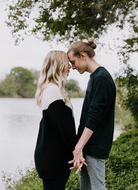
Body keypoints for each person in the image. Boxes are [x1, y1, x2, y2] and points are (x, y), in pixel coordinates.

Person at [68, 39, 116, 190]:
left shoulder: (102, 78)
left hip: (95, 146)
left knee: (98, 187)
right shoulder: (94, 77)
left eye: (73, 62)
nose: (72, 67)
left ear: (83, 55)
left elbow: (95, 117)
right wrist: (80, 147)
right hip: (87, 147)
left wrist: (78, 147)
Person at [34, 50, 77, 190]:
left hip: (53, 158)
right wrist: (78, 151)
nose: (70, 66)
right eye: (67, 63)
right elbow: (64, 129)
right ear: (58, 65)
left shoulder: (54, 90)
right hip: (53, 160)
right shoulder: (53, 91)